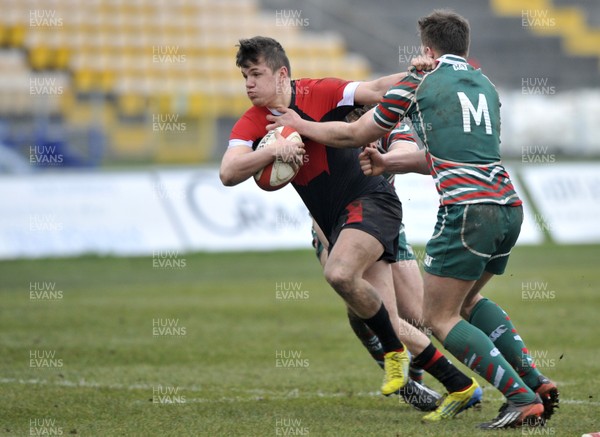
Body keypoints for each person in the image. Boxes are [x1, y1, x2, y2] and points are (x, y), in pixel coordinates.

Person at [266, 10, 558, 429]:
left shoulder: (418, 81)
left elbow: (353, 135)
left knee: (437, 316)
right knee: (467, 302)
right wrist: (388, 163)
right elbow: (446, 155)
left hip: (466, 212)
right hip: (508, 205)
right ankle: (535, 379)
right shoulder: (485, 85)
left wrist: (300, 125)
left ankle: (519, 396)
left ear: (426, 50)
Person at [221, 36, 481, 420]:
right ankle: (460, 385)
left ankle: (405, 356)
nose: (248, 84)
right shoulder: (254, 122)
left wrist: (432, 73)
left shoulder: (322, 93)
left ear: (281, 75)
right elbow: (228, 172)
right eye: (244, 76)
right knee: (391, 314)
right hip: (334, 223)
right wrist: (272, 150)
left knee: (347, 278)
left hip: (372, 203)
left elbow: (377, 88)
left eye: (256, 74)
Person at [310, 111, 446, 412]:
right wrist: (338, 251)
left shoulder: (388, 123)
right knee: (365, 305)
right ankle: (425, 385)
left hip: (385, 223)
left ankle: (419, 373)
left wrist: (387, 158)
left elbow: (407, 151)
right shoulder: (332, 128)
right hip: (334, 226)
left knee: (421, 316)